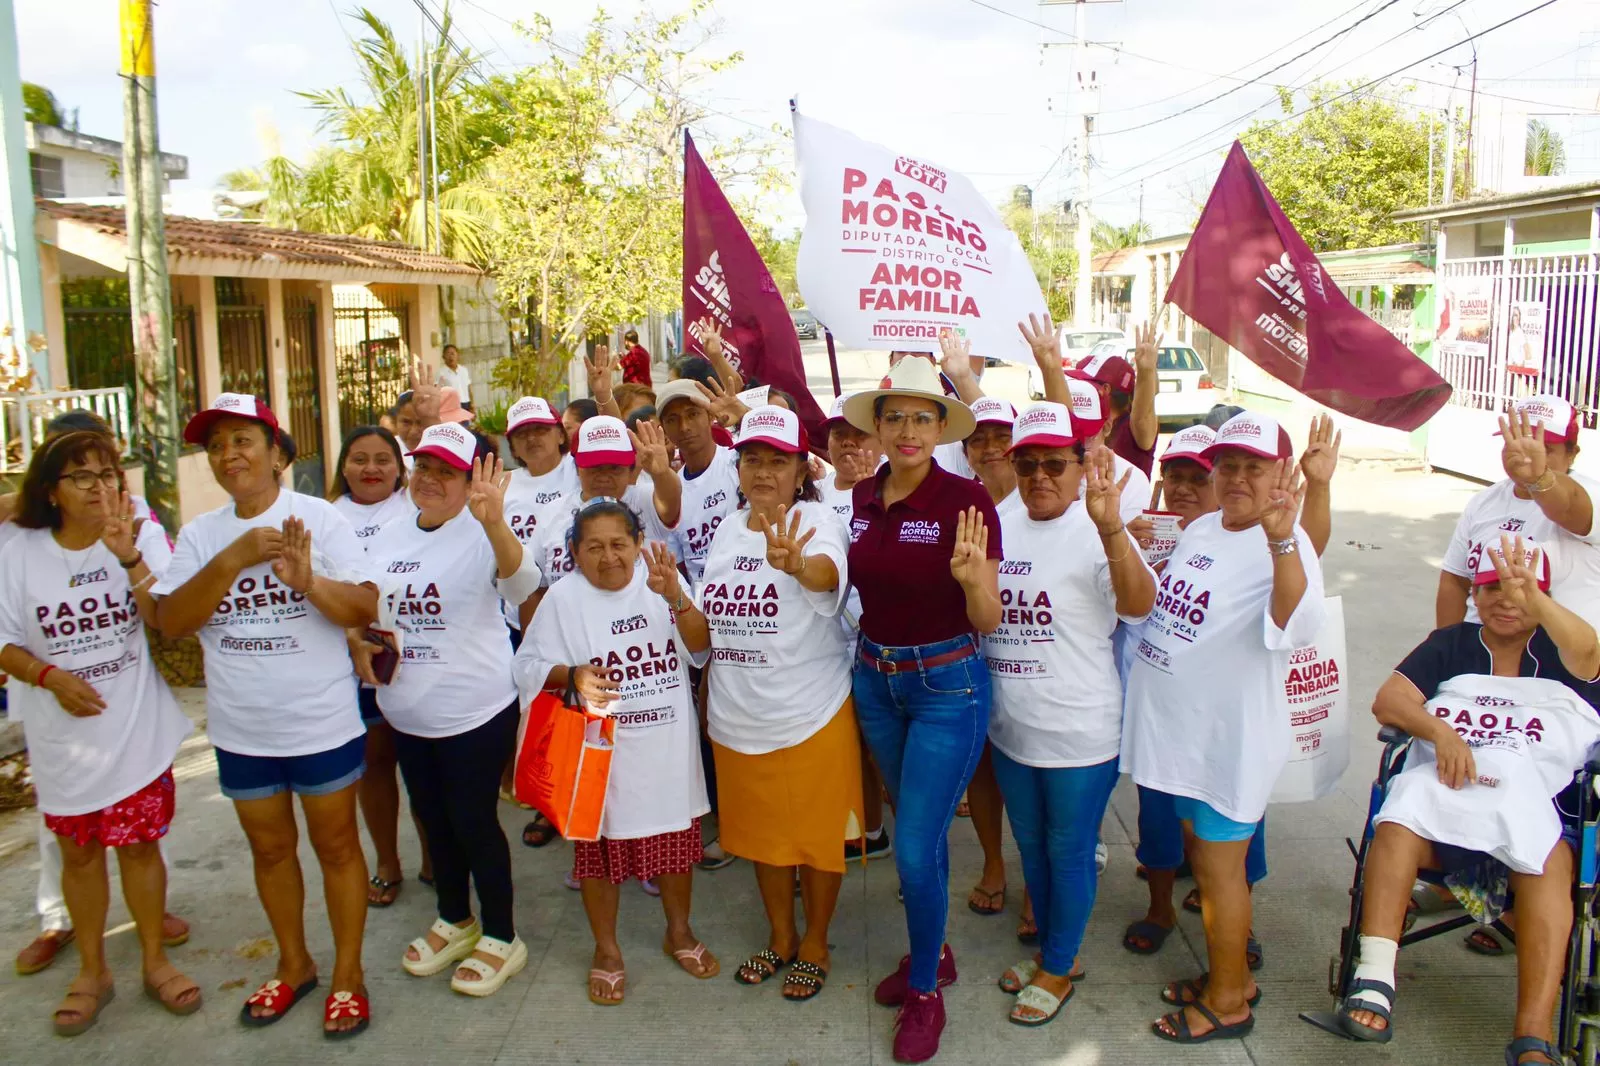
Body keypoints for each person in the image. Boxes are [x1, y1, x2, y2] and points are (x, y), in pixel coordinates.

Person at [152, 393, 378, 1037]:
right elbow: (171, 622)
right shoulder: (200, 534)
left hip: (319, 720)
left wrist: (308, 582)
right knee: (271, 850)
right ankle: (295, 963)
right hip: (241, 728)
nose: (229, 454)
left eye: (243, 440)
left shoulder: (320, 520)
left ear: (277, 453)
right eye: (217, 445)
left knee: (336, 849)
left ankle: (348, 976)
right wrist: (232, 559)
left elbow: (363, 608)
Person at [1339, 535, 1600, 1066]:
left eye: (1520, 589)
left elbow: (1592, 653)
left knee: (1550, 859)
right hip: (1441, 814)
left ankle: (1532, 1033)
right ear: (1473, 595)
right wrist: (1440, 732)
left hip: (1531, 814)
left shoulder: (1563, 650)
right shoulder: (1453, 644)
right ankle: (1375, 977)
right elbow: (1388, 700)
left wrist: (1540, 604)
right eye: (1490, 587)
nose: (1505, 599)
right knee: (1397, 822)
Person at [1122, 411, 1325, 1044]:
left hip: (1226, 745)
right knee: (1206, 868)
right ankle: (1228, 974)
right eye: (1229, 466)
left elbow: (1292, 618)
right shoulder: (1206, 526)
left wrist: (1286, 538)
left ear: (1279, 477)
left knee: (1219, 873)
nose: (1237, 478)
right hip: (1182, 738)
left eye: (1254, 468)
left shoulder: (1283, 546)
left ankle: (1228, 1000)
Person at [0, 431, 199, 1035]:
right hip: (64, 740)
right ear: (51, 492)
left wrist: (130, 558)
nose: (101, 487)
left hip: (133, 729)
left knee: (140, 848)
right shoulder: (18, 550)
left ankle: (153, 961)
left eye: (109, 473)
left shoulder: (138, 532)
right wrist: (48, 676)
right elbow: (4, 641)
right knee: (79, 856)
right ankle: (92, 971)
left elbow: (168, 619)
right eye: (81, 476)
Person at [843, 356, 1001, 1064]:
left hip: (946, 688)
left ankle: (927, 992)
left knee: (912, 850)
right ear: (877, 425)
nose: (907, 430)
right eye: (895, 416)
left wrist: (972, 583)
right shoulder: (861, 496)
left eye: (922, 417)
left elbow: (989, 618)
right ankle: (931, 954)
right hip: (876, 681)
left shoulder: (967, 502)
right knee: (920, 833)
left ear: (942, 427)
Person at [353, 424, 542, 999]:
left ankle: (503, 935)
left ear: (472, 480)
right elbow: (369, 607)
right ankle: (455, 918)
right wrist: (358, 642)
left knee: (473, 823)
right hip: (407, 711)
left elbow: (523, 585)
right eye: (424, 468)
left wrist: (493, 523)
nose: (430, 480)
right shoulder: (389, 531)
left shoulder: (483, 531)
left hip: (475, 712)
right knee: (431, 820)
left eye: (447, 472)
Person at [986, 402, 1157, 1026]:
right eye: (1027, 463)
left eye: (1055, 463)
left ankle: (1057, 968)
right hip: (1011, 728)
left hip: (1081, 731)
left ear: (1081, 466)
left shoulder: (1099, 523)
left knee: (1070, 848)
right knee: (1031, 848)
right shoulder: (998, 521)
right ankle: (1057, 953)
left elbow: (1138, 608)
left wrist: (1113, 531)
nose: (1039, 477)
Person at [514, 500, 718, 1005]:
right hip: (597, 757)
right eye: (594, 547)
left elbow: (701, 648)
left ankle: (680, 933)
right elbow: (525, 666)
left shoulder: (661, 580)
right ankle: (606, 950)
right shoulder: (561, 598)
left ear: (637, 543)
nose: (609, 557)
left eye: (619, 544)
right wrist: (572, 675)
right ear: (575, 554)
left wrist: (677, 599)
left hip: (666, 746)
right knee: (598, 859)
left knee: (675, 851)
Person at [698, 406, 860, 1000]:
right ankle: (780, 935)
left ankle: (815, 940)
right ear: (737, 468)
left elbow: (827, 575)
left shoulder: (817, 519)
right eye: (752, 458)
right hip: (738, 715)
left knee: (816, 838)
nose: (763, 471)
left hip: (808, 712)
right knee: (764, 839)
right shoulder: (724, 529)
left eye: (778, 460)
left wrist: (797, 566)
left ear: (800, 470)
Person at [327, 426, 428, 908]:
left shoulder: (417, 507)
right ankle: (387, 861)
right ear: (343, 466)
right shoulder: (324, 518)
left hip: (419, 656)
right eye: (359, 459)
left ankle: (435, 854)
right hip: (353, 659)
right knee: (376, 763)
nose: (371, 469)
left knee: (422, 762)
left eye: (383, 459)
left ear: (399, 467)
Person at [1438, 395, 1600, 632]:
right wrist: (1446, 650)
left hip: (1560, 659)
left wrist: (1539, 478)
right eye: (1517, 443)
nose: (1527, 455)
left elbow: (1567, 508)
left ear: (1572, 453)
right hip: (1484, 653)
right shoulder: (1484, 501)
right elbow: (1456, 580)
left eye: (1543, 449)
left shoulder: (1590, 495)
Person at [951, 394, 1021, 924]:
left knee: (1034, 780)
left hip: (1037, 669)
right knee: (983, 774)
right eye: (980, 439)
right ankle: (994, 864)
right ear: (967, 450)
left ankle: (1041, 875)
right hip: (975, 661)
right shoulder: (962, 504)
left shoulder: (1045, 500)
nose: (992, 447)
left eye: (1002, 437)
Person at [1070, 322, 1159, 475]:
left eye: (1084, 382)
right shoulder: (1080, 421)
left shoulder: (1132, 427)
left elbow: (1142, 413)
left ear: (1105, 390)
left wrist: (1146, 371)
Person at [434, 345, 472, 410]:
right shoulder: (440, 372)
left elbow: (468, 388)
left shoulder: (464, 370)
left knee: (467, 420)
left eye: (452, 353)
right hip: (451, 406)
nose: (450, 356)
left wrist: (472, 404)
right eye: (448, 354)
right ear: (443, 357)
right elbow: (437, 391)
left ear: (457, 356)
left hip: (466, 403)